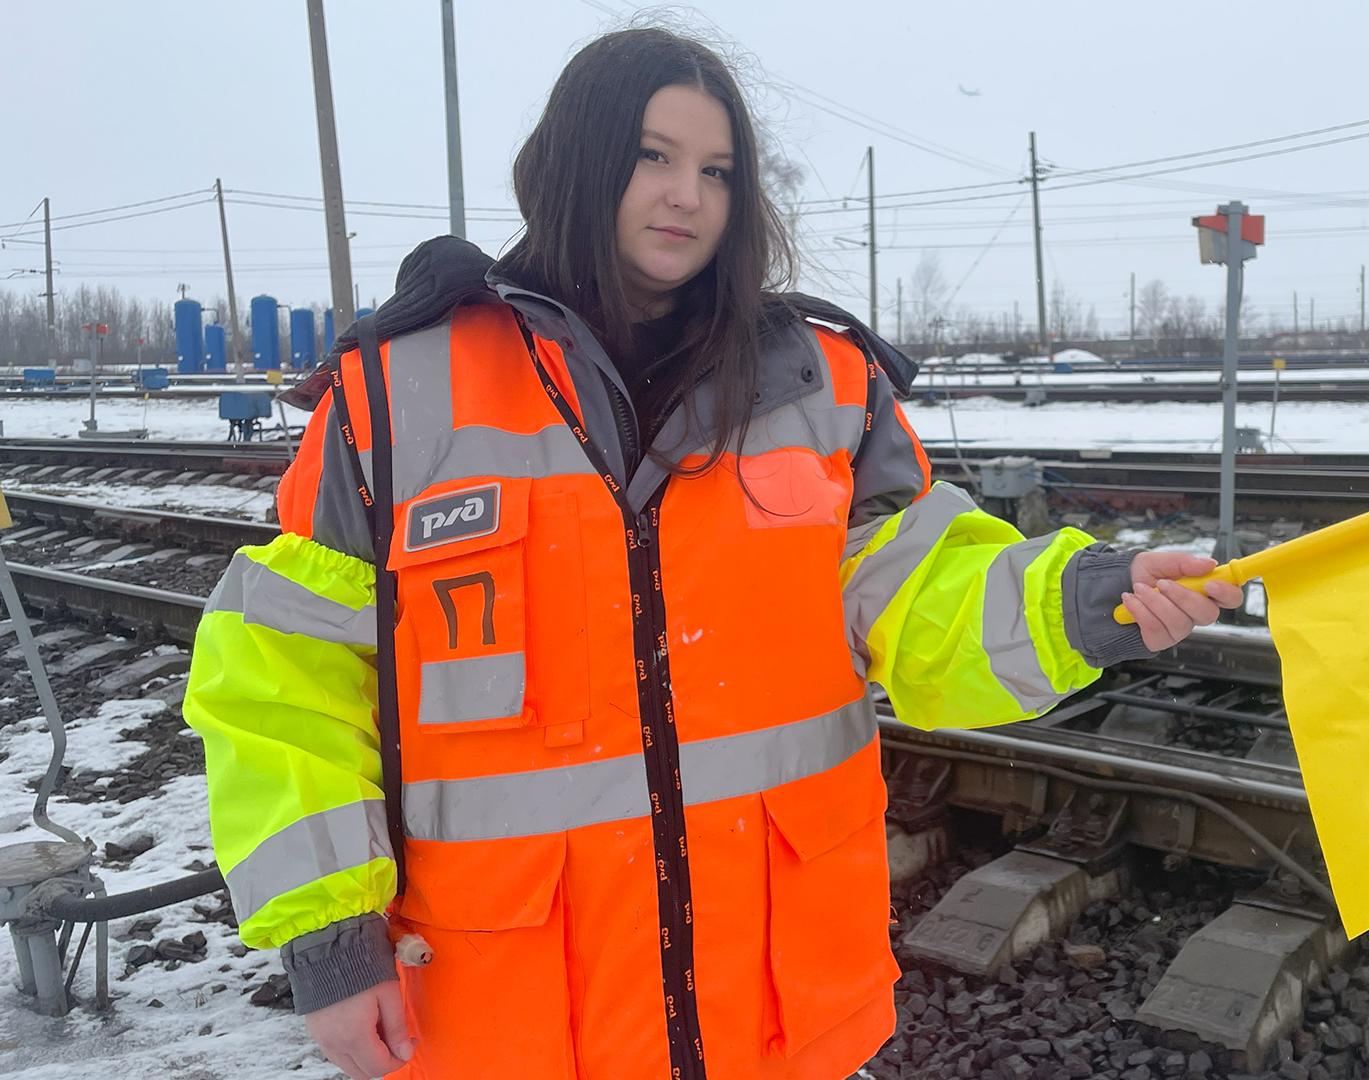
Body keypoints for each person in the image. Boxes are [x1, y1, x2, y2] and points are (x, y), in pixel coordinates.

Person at [183, 26, 1241, 1080]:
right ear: (575, 163)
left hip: (773, 1020)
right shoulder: (395, 401)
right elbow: (286, 683)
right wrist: (329, 942)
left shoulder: (820, 389)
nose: (687, 194)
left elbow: (921, 595)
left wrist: (1085, 597)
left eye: (716, 170)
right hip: (509, 1022)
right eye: (653, 156)